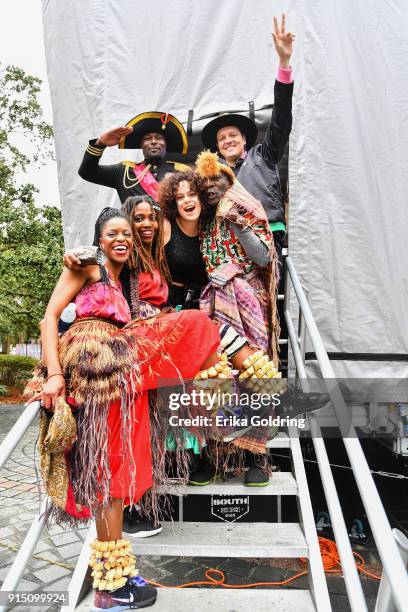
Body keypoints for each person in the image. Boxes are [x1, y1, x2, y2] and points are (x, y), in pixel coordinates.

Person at [28, 206, 274, 610]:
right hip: (94, 366)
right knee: (109, 472)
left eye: (126, 232)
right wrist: (54, 374)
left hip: (119, 372)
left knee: (120, 469)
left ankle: (116, 576)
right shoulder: (87, 266)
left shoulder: (129, 282)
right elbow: (50, 317)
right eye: (112, 233)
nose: (121, 238)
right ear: (99, 238)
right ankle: (110, 586)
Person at [201, 14, 295, 269]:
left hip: (265, 236)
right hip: (227, 243)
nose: (227, 140)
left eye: (232, 135)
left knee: (264, 305)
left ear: (244, 139)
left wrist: (284, 63)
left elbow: (282, 119)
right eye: (222, 138)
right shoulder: (215, 175)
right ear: (217, 147)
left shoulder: (263, 156)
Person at [78, 112, 190, 203]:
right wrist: (100, 144)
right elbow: (87, 172)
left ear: (166, 143)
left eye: (159, 138)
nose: (153, 142)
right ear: (140, 145)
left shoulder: (182, 171)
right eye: (147, 139)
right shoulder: (124, 171)